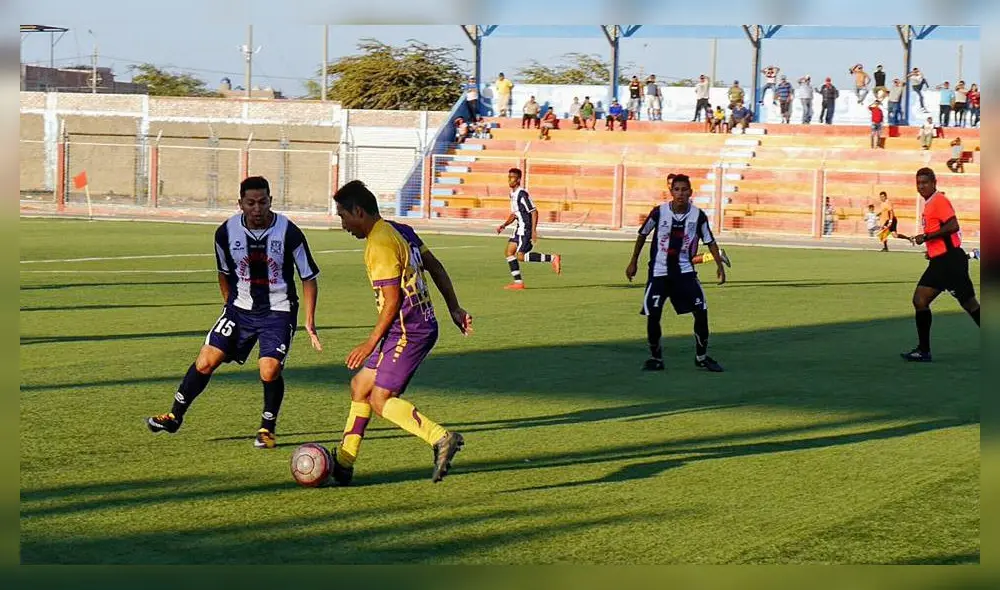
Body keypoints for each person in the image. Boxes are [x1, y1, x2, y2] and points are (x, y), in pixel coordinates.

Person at [146, 176, 323, 448]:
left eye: (263, 202)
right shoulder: (225, 232)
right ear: (240, 203)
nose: (257, 208)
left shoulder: (289, 232)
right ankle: (174, 416)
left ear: (270, 201)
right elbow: (224, 272)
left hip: (278, 311)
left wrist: (309, 321)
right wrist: (229, 305)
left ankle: (267, 428)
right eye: (250, 202)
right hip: (239, 311)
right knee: (206, 360)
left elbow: (308, 276)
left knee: (269, 368)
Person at [330, 180, 471, 484]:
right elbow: (435, 266)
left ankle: (441, 437)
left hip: (409, 330)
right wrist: (454, 308)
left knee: (380, 399)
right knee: (360, 387)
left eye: (343, 216)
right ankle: (343, 462)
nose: (343, 224)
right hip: (409, 325)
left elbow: (392, 302)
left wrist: (370, 343)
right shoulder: (400, 230)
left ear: (359, 211)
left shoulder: (378, 244)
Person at [625, 174, 726, 373]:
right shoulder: (658, 212)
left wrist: (719, 266)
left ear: (690, 192)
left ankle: (701, 357)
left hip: (685, 273)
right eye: (676, 189)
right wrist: (633, 261)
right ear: (671, 192)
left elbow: (710, 241)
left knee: (701, 311)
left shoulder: (698, 216)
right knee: (653, 315)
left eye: (684, 189)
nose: (680, 193)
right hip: (659, 273)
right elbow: (642, 234)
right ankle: (656, 358)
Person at [900, 168, 980, 362]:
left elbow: (953, 225)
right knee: (923, 300)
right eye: (918, 183)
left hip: (949, 262)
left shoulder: (939, 201)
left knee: (966, 304)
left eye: (925, 182)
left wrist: (926, 236)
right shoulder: (929, 204)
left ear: (934, 183)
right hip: (942, 261)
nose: (921, 187)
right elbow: (943, 232)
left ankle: (924, 350)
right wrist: (932, 249)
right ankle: (923, 350)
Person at [496, 168, 562, 290]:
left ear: (518, 179)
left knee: (520, 256)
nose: (510, 180)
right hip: (518, 228)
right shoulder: (512, 194)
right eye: (509, 177)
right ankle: (518, 283)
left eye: (512, 177)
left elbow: (534, 211)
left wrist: (533, 230)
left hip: (525, 230)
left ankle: (552, 258)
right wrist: (504, 225)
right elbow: (514, 214)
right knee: (509, 252)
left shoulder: (522, 194)